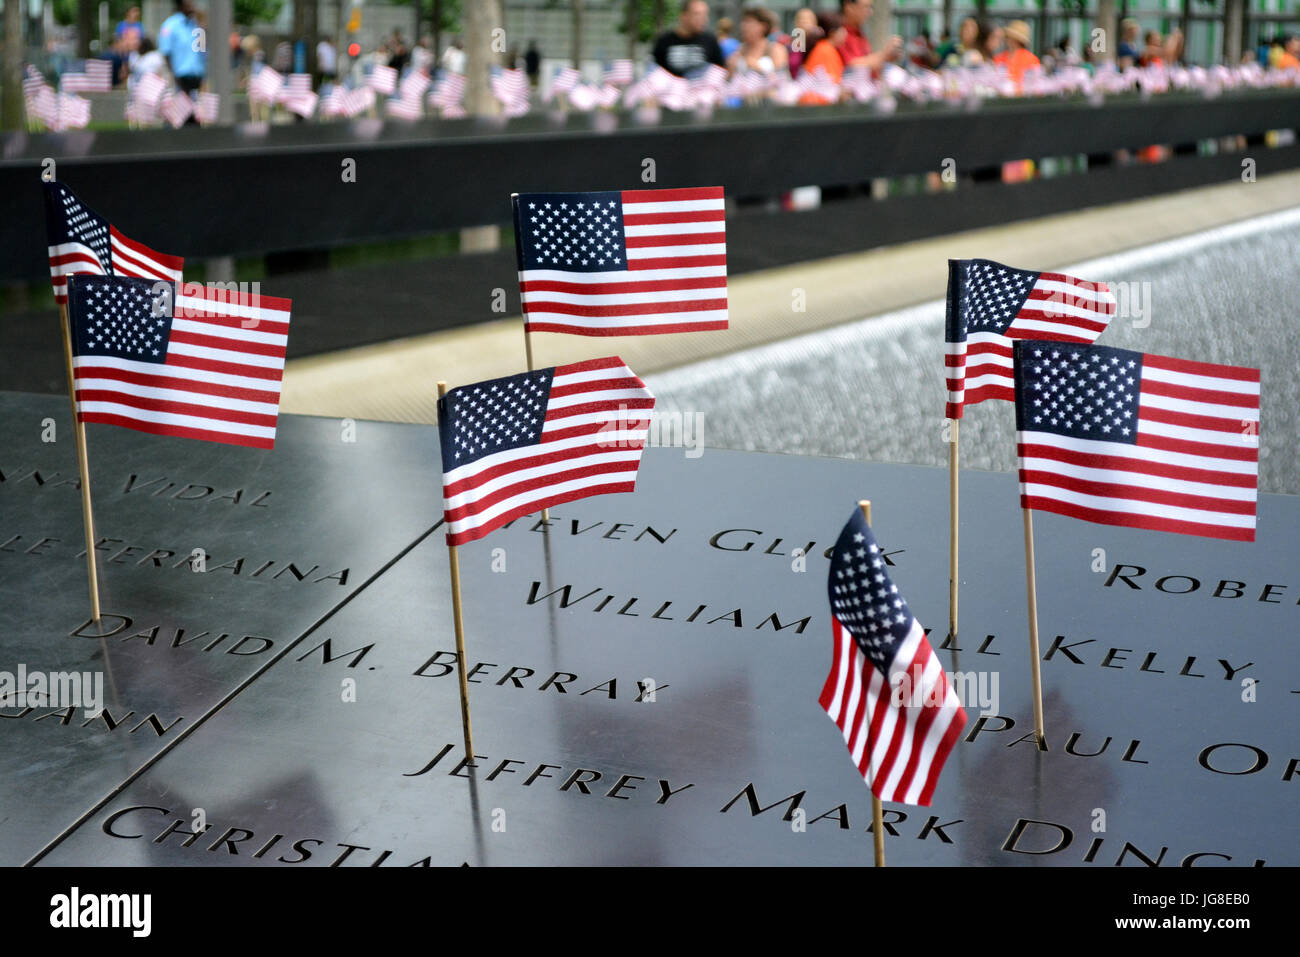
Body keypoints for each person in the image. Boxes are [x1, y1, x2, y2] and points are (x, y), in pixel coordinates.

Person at [652, 0, 725, 77]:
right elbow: (654, 74)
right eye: (697, 14)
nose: (704, 19)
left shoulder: (710, 41)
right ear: (683, 16)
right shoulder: (664, 41)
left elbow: (720, 73)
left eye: (705, 15)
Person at [839, 0, 902, 73]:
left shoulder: (859, 32)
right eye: (866, 7)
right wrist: (883, 55)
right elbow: (851, 67)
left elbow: (868, 64)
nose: (870, 12)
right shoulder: (839, 33)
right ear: (849, 7)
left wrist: (886, 58)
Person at [158, 0, 206, 95]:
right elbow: (166, 53)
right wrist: (174, 78)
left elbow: (202, 51)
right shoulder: (170, 25)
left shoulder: (195, 24)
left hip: (197, 77)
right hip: (180, 80)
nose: (192, 4)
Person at [799, 11, 846, 104]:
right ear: (833, 33)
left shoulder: (825, 47)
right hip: (817, 103)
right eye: (842, 29)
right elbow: (833, 83)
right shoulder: (826, 49)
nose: (845, 33)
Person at [728, 7, 788, 79]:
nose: (743, 26)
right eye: (743, 22)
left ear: (763, 26)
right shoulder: (740, 49)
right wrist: (731, 70)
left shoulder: (776, 49)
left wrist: (756, 67)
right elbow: (729, 81)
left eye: (748, 22)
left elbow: (782, 80)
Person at [1001, 20, 1039, 89]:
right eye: (1008, 37)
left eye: (1011, 37)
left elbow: (1033, 82)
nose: (1008, 40)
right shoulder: (1000, 57)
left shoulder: (1030, 58)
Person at [787, 7, 818, 77]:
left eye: (807, 19)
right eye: (801, 19)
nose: (803, 22)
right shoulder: (790, 45)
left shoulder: (817, 44)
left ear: (814, 23)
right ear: (796, 23)